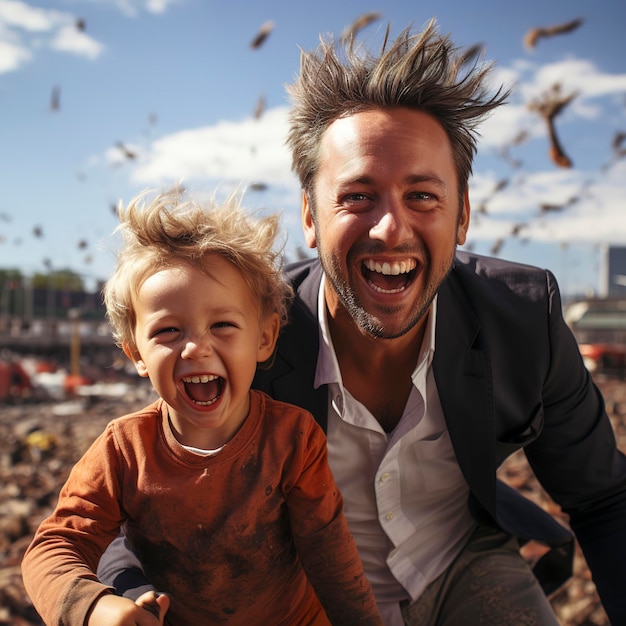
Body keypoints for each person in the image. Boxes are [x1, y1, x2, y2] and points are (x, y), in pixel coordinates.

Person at [99, 19, 626, 626]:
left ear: (462, 217)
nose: (389, 229)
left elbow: (603, 496)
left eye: (423, 196)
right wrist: (124, 595)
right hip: (298, 590)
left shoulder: (522, 320)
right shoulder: (245, 337)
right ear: (310, 216)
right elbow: (136, 508)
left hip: (460, 561)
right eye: (357, 196)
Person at [20, 189, 383, 626]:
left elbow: (331, 558)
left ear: (265, 338)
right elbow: (54, 547)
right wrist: (94, 605)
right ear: (135, 352)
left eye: (223, 325)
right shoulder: (124, 450)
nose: (196, 347)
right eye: (169, 331)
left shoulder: (293, 438)